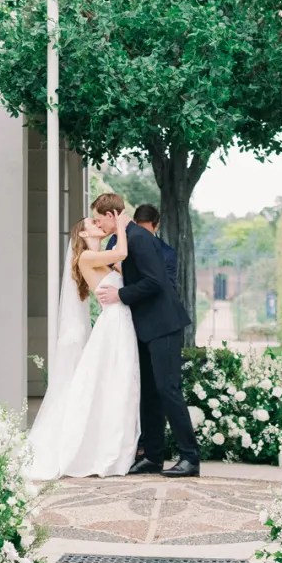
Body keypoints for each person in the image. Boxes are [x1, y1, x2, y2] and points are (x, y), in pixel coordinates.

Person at [24, 214, 141, 479]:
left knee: (120, 385)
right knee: (112, 383)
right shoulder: (87, 258)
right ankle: (100, 451)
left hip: (121, 323)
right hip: (112, 325)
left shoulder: (105, 262)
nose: (99, 226)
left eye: (100, 223)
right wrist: (121, 227)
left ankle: (115, 447)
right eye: (93, 224)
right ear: (84, 235)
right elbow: (122, 251)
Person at [92, 193, 200, 478]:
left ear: (112, 215)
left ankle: (190, 458)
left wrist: (120, 294)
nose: (98, 224)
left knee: (168, 390)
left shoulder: (138, 237)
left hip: (163, 324)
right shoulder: (128, 238)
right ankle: (152, 456)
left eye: (99, 219)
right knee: (149, 394)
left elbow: (155, 281)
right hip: (144, 327)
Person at [132, 204, 178, 295]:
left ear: (156, 226)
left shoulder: (167, 254)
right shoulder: (119, 241)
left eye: (145, 231)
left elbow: (168, 289)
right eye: (138, 229)